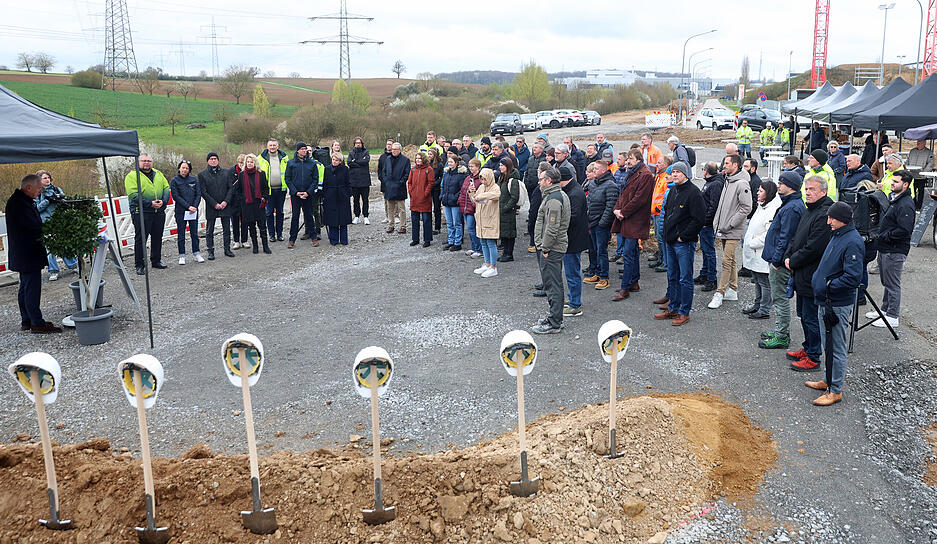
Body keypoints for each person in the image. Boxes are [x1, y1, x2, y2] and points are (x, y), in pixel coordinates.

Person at [806, 201, 864, 406]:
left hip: (836, 304)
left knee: (836, 348)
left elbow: (853, 277)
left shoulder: (852, 241)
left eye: (832, 218)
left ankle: (835, 390)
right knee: (827, 345)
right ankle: (827, 380)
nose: (828, 221)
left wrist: (829, 285)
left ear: (843, 220)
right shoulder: (838, 235)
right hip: (827, 300)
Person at [784, 176, 833, 371]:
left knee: (811, 316)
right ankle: (807, 347)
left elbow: (814, 247)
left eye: (812, 189)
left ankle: (813, 356)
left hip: (812, 275)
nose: (808, 192)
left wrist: (793, 260)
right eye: (807, 188)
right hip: (800, 273)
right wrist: (788, 254)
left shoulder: (824, 214)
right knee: (803, 314)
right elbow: (797, 237)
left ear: (824, 191)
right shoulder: (809, 209)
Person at [6, 174, 61, 333]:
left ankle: (27, 319)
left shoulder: (19, 201)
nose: (40, 192)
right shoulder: (20, 204)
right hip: (27, 252)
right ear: (28, 187)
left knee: (25, 287)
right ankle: (37, 322)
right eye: (38, 189)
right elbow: (34, 225)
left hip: (23, 252)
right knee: (31, 288)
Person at [759, 171, 806, 350]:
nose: (778, 185)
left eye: (781, 183)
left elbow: (786, 238)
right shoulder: (790, 204)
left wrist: (777, 261)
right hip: (778, 259)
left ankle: (782, 335)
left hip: (780, 263)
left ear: (791, 186)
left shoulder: (792, 208)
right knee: (777, 296)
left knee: (779, 297)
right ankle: (780, 331)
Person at [656, 162, 704, 326]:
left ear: (685, 174)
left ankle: (684, 312)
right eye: (673, 171)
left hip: (683, 243)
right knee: (673, 276)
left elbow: (699, 219)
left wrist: (683, 236)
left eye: (678, 172)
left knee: (685, 278)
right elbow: (668, 213)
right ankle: (673, 307)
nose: (674, 174)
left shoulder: (694, 193)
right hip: (670, 241)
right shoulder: (673, 191)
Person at [869, 169, 915, 328]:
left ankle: (892, 316)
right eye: (892, 181)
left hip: (894, 250)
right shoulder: (895, 199)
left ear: (905, 184)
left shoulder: (906, 204)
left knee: (892, 284)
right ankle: (884, 310)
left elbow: (904, 230)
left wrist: (885, 236)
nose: (892, 184)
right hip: (886, 248)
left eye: (896, 182)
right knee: (886, 281)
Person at [708, 154, 752, 309]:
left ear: (735, 165)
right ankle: (733, 289)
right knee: (731, 260)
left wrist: (730, 223)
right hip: (724, 228)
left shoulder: (741, 184)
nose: (723, 165)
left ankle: (719, 293)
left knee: (726, 260)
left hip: (732, 229)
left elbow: (746, 207)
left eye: (727, 163)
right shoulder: (728, 181)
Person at [611, 149, 655, 301]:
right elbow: (622, 194)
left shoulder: (646, 175)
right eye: (627, 158)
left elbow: (639, 199)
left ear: (638, 160)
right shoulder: (632, 173)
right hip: (627, 217)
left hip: (635, 219)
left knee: (629, 253)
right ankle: (633, 282)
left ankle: (625, 288)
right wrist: (616, 209)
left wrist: (623, 212)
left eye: (630, 158)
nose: (628, 161)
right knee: (632, 252)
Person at [531, 165, 570, 334]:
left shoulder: (554, 199)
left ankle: (555, 322)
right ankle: (554, 317)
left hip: (552, 248)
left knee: (553, 284)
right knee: (552, 283)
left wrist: (545, 247)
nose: (539, 182)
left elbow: (552, 228)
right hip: (552, 247)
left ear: (549, 181)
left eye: (541, 179)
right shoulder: (554, 196)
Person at [741, 180, 781, 319]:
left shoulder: (771, 209)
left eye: (761, 191)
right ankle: (757, 304)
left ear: (768, 193)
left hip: (761, 252)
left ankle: (764, 309)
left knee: (764, 282)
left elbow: (769, 233)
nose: (757, 193)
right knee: (757, 280)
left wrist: (753, 243)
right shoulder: (761, 206)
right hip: (755, 252)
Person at [124, 155, 170, 275]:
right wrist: (150, 204)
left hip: (158, 212)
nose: (146, 163)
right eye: (144, 161)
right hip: (142, 212)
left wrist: (163, 201)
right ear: (138, 162)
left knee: (157, 237)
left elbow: (166, 188)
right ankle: (139, 264)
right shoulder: (132, 176)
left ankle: (156, 260)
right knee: (141, 239)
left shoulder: (158, 174)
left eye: (149, 161)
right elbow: (133, 195)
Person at [582, 157, 619, 291]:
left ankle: (604, 277)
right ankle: (597, 273)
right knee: (594, 250)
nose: (594, 171)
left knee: (602, 251)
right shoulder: (592, 184)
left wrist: (603, 223)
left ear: (604, 170)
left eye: (596, 169)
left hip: (601, 225)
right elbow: (589, 201)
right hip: (591, 222)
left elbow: (610, 206)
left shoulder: (610, 185)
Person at [34, 170, 77, 279]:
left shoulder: (56, 189)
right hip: (46, 224)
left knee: (64, 243)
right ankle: (53, 271)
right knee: (50, 248)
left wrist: (59, 198)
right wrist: (48, 200)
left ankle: (73, 265)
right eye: (44, 178)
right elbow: (36, 209)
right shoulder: (36, 193)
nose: (47, 179)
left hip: (59, 221)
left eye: (48, 177)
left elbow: (64, 202)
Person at [560, 163, 590, 317]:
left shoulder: (575, 194)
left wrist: (559, 221)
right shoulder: (573, 190)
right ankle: (572, 298)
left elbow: (574, 217)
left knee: (572, 272)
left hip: (574, 239)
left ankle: (575, 305)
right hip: (573, 238)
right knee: (571, 271)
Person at [284, 142, 322, 248]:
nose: (304, 151)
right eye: (302, 149)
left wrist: (308, 192)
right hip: (295, 195)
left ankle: (314, 238)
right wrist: (295, 192)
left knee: (309, 216)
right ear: (297, 150)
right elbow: (287, 178)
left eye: (305, 149)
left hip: (308, 195)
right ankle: (292, 240)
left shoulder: (312, 163)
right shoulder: (291, 163)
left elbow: (315, 179)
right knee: (295, 217)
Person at [198, 153, 235, 259]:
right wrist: (214, 204)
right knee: (209, 230)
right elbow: (203, 192)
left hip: (225, 205)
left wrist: (225, 202)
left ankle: (227, 249)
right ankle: (210, 251)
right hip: (211, 206)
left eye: (215, 159)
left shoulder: (226, 172)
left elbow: (230, 188)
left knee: (227, 229)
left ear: (218, 160)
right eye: (211, 159)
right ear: (207, 161)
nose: (213, 161)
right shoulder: (202, 174)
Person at [696, 162, 724, 292]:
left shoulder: (715, 184)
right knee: (705, 249)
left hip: (707, 224)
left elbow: (714, 205)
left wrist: (705, 221)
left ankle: (711, 279)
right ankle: (704, 273)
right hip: (704, 223)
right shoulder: (711, 182)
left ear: (706, 171)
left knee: (709, 251)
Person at [169, 160, 203, 265]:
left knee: (194, 233)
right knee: (181, 234)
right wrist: (188, 206)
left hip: (193, 211)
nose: (184, 170)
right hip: (181, 211)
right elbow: (176, 196)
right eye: (183, 168)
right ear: (179, 168)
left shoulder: (193, 180)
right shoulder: (174, 181)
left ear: (189, 170)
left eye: (187, 168)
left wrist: (194, 206)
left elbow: (198, 194)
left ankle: (196, 253)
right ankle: (182, 255)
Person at [237, 154, 272, 255]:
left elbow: (266, 188)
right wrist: (242, 199)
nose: (249, 163)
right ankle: (255, 246)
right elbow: (238, 190)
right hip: (247, 205)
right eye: (248, 162)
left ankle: (265, 246)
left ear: (255, 163)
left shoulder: (261, 174)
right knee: (251, 227)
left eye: (251, 162)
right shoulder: (242, 175)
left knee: (262, 227)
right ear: (245, 163)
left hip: (259, 204)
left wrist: (264, 197)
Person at [470, 168, 501, 277]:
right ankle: (487, 264)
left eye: (485, 179)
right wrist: (472, 192)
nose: (483, 182)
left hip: (490, 218)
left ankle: (493, 267)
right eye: (481, 179)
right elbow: (474, 199)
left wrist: (480, 196)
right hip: (481, 218)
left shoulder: (495, 187)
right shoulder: (482, 187)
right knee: (483, 242)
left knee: (491, 243)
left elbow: (496, 196)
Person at [257, 139, 289, 243]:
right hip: (268, 191)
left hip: (281, 189)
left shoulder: (284, 158)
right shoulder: (260, 159)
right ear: (267, 147)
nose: (272, 147)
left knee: (280, 212)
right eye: (270, 145)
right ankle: (271, 234)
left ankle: (279, 234)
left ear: (278, 146)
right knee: (269, 212)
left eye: (274, 145)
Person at [319, 152, 352, 245]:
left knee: (343, 219)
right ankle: (333, 240)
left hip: (342, 196)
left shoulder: (345, 169)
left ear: (340, 161)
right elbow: (324, 183)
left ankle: (344, 239)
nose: (334, 161)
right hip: (330, 196)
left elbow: (348, 182)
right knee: (332, 219)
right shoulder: (327, 169)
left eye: (336, 160)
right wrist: (324, 194)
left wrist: (347, 193)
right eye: (333, 159)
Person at [650, 156, 674, 273]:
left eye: (659, 163)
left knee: (662, 237)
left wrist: (658, 208)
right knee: (658, 238)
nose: (656, 164)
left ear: (666, 165)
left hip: (660, 212)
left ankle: (665, 262)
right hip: (655, 212)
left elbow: (665, 196)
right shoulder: (659, 177)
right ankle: (661, 258)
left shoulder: (666, 178)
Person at [440, 155, 468, 251]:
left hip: (455, 203)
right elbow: (443, 186)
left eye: (451, 162)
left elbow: (462, 189)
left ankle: (457, 242)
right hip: (446, 201)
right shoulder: (447, 173)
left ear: (456, 163)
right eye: (449, 162)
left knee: (457, 223)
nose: (449, 163)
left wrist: (455, 198)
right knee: (449, 223)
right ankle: (450, 240)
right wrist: (442, 196)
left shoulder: (461, 175)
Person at [495, 157, 520, 262]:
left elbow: (514, 197)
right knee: (504, 233)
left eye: (502, 165)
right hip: (501, 209)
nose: (500, 167)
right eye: (500, 165)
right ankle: (505, 252)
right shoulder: (501, 177)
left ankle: (509, 254)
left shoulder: (512, 180)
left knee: (510, 233)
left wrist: (506, 207)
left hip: (508, 210)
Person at [407, 152, 435, 247]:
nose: (418, 160)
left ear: (424, 159)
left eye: (420, 158)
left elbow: (431, 183)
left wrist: (425, 193)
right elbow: (409, 182)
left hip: (425, 199)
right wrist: (411, 192)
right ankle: (415, 239)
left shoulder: (429, 169)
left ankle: (427, 240)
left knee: (426, 220)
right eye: (417, 158)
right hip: (414, 199)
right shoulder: (413, 169)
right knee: (414, 220)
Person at [524, 141, 547, 253]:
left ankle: (535, 241)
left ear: (542, 149)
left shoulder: (544, 160)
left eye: (537, 147)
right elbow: (527, 171)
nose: (534, 149)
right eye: (534, 147)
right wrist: (526, 181)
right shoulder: (531, 159)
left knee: (536, 212)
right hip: (530, 186)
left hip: (539, 187)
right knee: (532, 207)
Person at [382, 142, 411, 234]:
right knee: (390, 208)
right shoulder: (388, 159)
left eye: (395, 149)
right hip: (389, 186)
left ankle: (403, 226)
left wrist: (400, 183)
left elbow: (407, 174)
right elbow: (384, 171)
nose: (393, 151)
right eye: (392, 149)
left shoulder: (405, 160)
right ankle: (391, 225)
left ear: (400, 150)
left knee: (401, 209)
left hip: (400, 187)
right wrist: (386, 182)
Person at [459, 158, 484, 257]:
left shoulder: (480, 179)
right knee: (470, 229)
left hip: (474, 207)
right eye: (469, 166)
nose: (470, 168)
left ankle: (479, 249)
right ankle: (474, 248)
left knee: (472, 228)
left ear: (478, 167)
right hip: (465, 206)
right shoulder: (467, 178)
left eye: (472, 166)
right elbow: (462, 191)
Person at [347, 137, 372, 225]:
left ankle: (366, 216)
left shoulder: (366, 152)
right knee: (355, 200)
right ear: (354, 144)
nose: (358, 144)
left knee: (365, 199)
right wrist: (360, 163)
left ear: (362, 144)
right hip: (354, 181)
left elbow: (366, 161)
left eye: (359, 143)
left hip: (364, 181)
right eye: (356, 143)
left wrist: (356, 162)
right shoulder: (351, 153)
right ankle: (356, 216)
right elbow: (349, 162)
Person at [906, 139, 934, 209]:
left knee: (921, 192)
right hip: (911, 175)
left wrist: (924, 172)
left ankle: (919, 207)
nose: (918, 143)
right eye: (917, 142)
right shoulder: (912, 151)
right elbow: (907, 161)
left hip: (921, 176)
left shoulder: (928, 152)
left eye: (920, 142)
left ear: (924, 143)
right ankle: (913, 205)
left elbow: (930, 164)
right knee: (912, 191)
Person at [229, 154, 247, 249]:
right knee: (235, 222)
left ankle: (245, 240)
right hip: (234, 200)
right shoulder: (231, 171)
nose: (241, 165)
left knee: (245, 221)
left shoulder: (248, 171)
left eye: (243, 163)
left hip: (245, 200)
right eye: (240, 162)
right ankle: (236, 241)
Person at [426, 148, 445, 235]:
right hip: (428, 188)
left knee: (437, 208)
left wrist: (434, 183)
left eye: (431, 154)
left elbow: (441, 177)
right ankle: (428, 226)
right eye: (428, 154)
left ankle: (437, 227)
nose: (429, 156)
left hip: (436, 189)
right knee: (427, 208)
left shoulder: (440, 165)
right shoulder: (426, 164)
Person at [377, 139, 394, 223]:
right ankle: (387, 216)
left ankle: (395, 216)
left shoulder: (396, 156)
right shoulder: (382, 157)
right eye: (387, 144)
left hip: (394, 182)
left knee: (395, 199)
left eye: (390, 144)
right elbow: (379, 169)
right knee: (385, 200)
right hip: (384, 182)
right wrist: (382, 178)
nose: (388, 146)